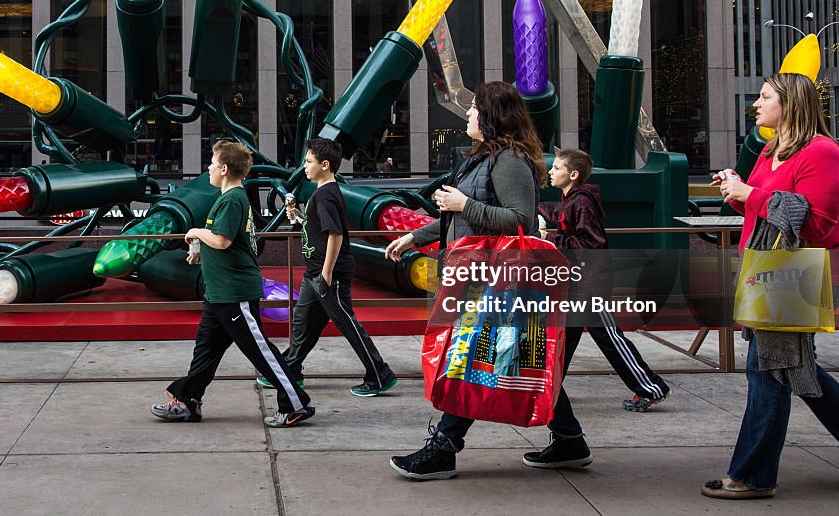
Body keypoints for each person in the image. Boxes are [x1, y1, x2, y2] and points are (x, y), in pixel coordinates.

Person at [386, 81, 593, 480]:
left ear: (492, 117)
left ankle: (444, 447)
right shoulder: (486, 158)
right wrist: (416, 236)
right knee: (513, 359)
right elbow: (456, 218)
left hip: (494, 280)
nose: (468, 115)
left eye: (474, 109)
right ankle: (570, 440)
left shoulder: (509, 161)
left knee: (469, 359)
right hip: (479, 277)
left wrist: (465, 203)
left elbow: (521, 221)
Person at [704, 72, 839, 499]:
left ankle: (752, 474)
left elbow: (822, 225)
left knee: (768, 370)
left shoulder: (823, 152)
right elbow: (765, 205)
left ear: (791, 104)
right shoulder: (770, 148)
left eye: (765, 97)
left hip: (794, 277)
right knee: (793, 368)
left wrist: (752, 195)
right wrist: (737, 190)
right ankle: (753, 473)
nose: (756, 104)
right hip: (761, 272)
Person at [152, 140, 316, 428]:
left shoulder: (231, 199)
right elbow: (223, 240)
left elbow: (222, 240)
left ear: (224, 169)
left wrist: (196, 232)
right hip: (219, 293)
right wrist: (200, 249)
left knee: (261, 351)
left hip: (234, 292)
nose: (209, 168)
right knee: (205, 350)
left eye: (212, 164)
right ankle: (188, 401)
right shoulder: (230, 197)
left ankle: (296, 403)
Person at [257, 138, 398, 396]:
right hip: (316, 272)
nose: (304, 166)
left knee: (346, 323)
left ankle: (380, 374)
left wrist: (326, 274)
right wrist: (300, 219)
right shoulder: (323, 193)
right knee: (303, 324)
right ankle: (291, 370)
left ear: (325, 165)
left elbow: (336, 236)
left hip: (327, 273)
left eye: (309, 162)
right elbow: (322, 231)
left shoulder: (325, 195)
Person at [540, 148, 671, 411]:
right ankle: (550, 388)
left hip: (590, 283)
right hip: (578, 281)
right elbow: (557, 213)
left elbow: (592, 243)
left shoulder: (582, 202)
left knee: (609, 337)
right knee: (566, 336)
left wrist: (550, 239)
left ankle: (651, 387)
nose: (551, 172)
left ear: (573, 174)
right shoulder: (572, 199)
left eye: (556, 167)